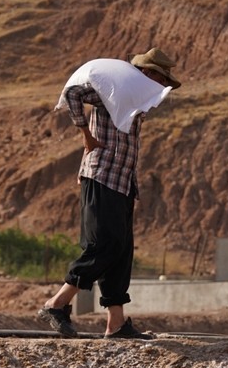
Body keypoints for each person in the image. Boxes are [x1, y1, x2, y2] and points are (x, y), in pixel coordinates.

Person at [36, 48, 182, 340]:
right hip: (102, 176)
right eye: (159, 77)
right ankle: (57, 303)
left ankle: (115, 324)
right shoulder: (111, 89)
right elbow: (74, 94)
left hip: (123, 181)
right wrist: (85, 134)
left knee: (121, 251)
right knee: (104, 245)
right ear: (149, 74)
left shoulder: (132, 96)